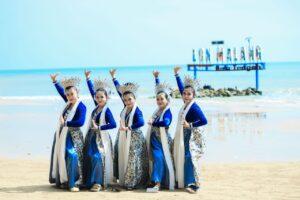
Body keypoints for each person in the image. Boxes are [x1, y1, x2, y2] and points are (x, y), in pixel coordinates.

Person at [109, 69, 148, 189]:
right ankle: (119, 177)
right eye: (125, 100)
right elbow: (120, 91)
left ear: (134, 98)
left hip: (135, 138)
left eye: (129, 99)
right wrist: (114, 78)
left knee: (133, 158)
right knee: (118, 153)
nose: (127, 102)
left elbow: (141, 122)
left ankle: (131, 182)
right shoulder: (126, 107)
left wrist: (128, 127)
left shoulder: (137, 110)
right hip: (123, 136)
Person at [49, 74, 86, 192]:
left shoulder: (81, 106)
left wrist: (65, 124)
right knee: (62, 156)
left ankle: (73, 182)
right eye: (68, 94)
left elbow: (80, 122)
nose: (69, 96)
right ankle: (64, 181)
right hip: (62, 135)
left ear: (77, 93)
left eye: (72, 94)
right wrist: (55, 82)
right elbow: (62, 92)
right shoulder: (68, 103)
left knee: (72, 156)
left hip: (74, 137)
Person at [173, 66, 207, 194]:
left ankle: (195, 184)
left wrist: (190, 125)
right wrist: (176, 75)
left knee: (190, 157)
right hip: (185, 134)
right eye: (184, 94)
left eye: (189, 94)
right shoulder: (186, 102)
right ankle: (185, 181)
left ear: (193, 95)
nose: (186, 95)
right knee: (183, 156)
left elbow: (204, 121)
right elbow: (182, 88)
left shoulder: (194, 107)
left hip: (194, 136)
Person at [83, 70, 117, 192]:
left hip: (101, 139)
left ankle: (98, 182)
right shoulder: (97, 107)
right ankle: (90, 181)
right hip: (91, 137)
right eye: (97, 97)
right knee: (89, 156)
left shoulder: (106, 110)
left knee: (97, 157)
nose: (99, 99)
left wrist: (99, 128)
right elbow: (93, 91)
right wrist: (88, 79)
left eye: (101, 97)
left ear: (106, 97)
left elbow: (113, 124)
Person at [145, 71, 175, 192]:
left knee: (161, 158)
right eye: (157, 99)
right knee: (157, 158)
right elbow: (159, 90)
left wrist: (154, 123)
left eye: (162, 99)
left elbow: (166, 123)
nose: (159, 101)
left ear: (167, 100)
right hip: (154, 140)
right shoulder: (158, 110)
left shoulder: (167, 112)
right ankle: (155, 181)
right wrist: (156, 78)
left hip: (163, 141)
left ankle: (158, 182)